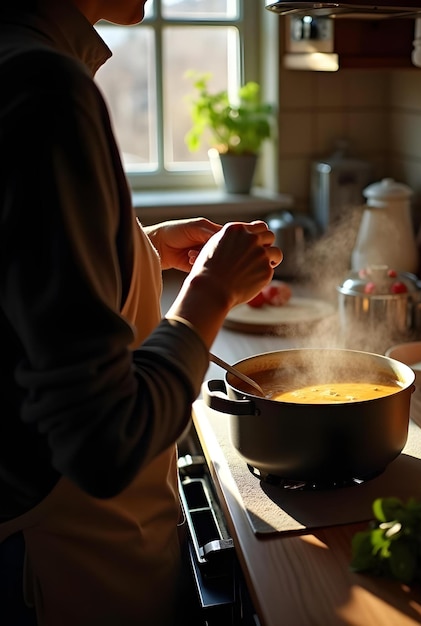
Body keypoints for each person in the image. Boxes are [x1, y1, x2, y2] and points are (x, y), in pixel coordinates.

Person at [0, 1, 282, 625]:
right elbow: (106, 441)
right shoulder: (41, 85)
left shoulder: (23, 60)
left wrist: (140, 250)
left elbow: (23, 284)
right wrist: (208, 289)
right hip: (59, 572)